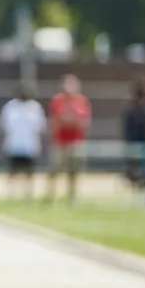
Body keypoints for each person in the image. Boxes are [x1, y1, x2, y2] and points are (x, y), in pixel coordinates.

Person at [46, 74, 92, 204]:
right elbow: (58, 120)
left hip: (76, 141)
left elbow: (82, 122)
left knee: (74, 171)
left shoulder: (82, 101)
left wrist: (69, 119)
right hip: (60, 141)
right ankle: (50, 195)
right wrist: (69, 119)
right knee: (55, 169)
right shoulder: (57, 100)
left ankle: (71, 197)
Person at [0, 83, 47, 199]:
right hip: (14, 144)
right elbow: (3, 127)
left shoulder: (35, 107)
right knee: (13, 171)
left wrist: (41, 145)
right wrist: (1, 144)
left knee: (29, 172)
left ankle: (28, 194)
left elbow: (40, 128)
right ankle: (11, 193)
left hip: (29, 145)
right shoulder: (10, 107)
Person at [120, 76, 145, 192]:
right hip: (134, 144)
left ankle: (144, 186)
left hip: (144, 145)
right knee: (134, 170)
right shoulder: (131, 110)